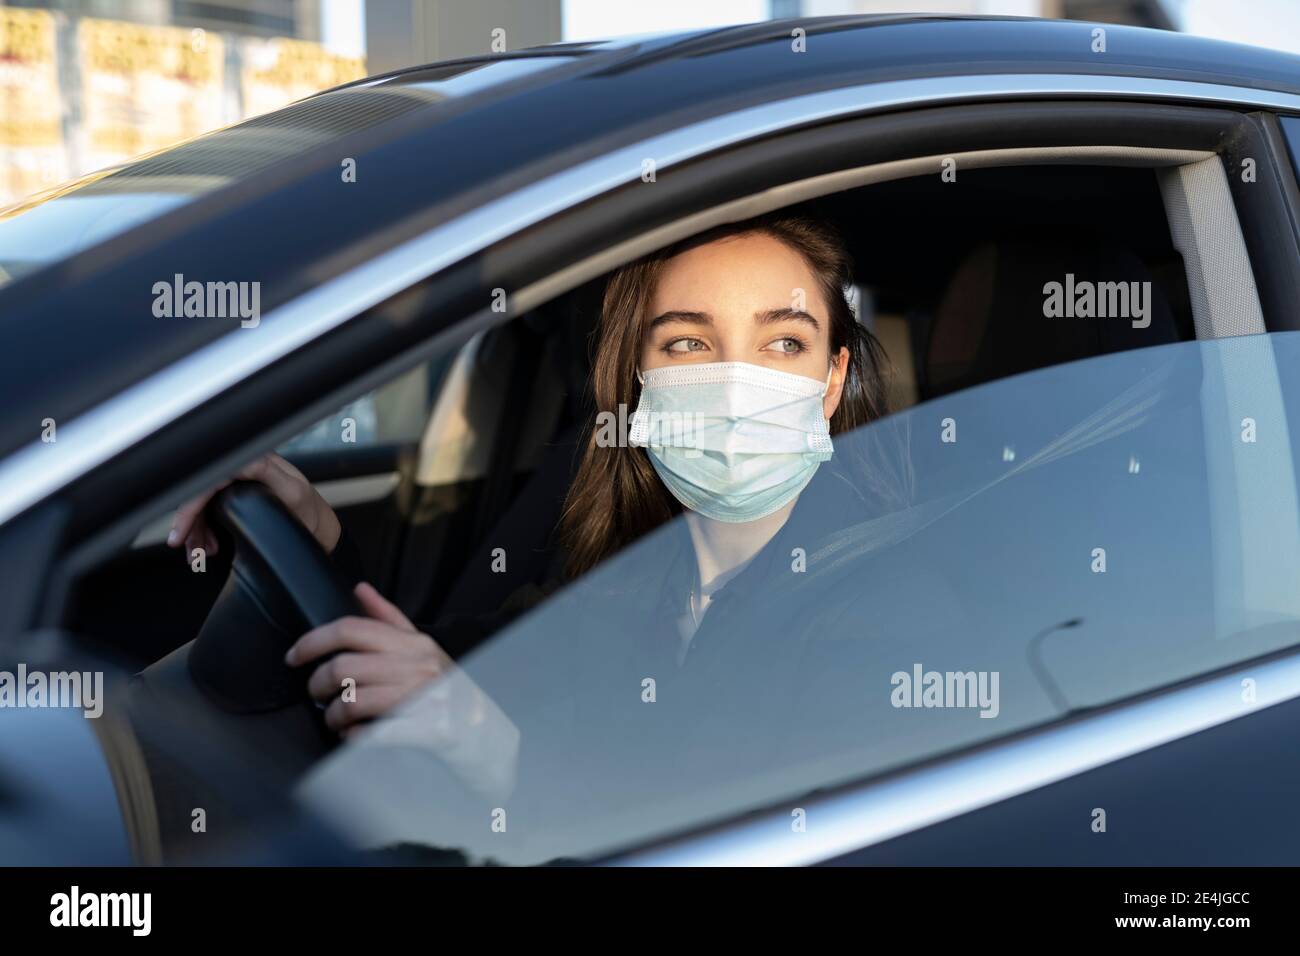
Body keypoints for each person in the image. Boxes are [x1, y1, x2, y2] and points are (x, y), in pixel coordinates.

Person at [168, 213, 907, 805]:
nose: (738, 383)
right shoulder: (626, 576)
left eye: (783, 342)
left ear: (833, 380)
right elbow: (453, 665)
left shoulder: (890, 621)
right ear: (639, 381)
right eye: (689, 342)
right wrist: (313, 530)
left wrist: (497, 751)